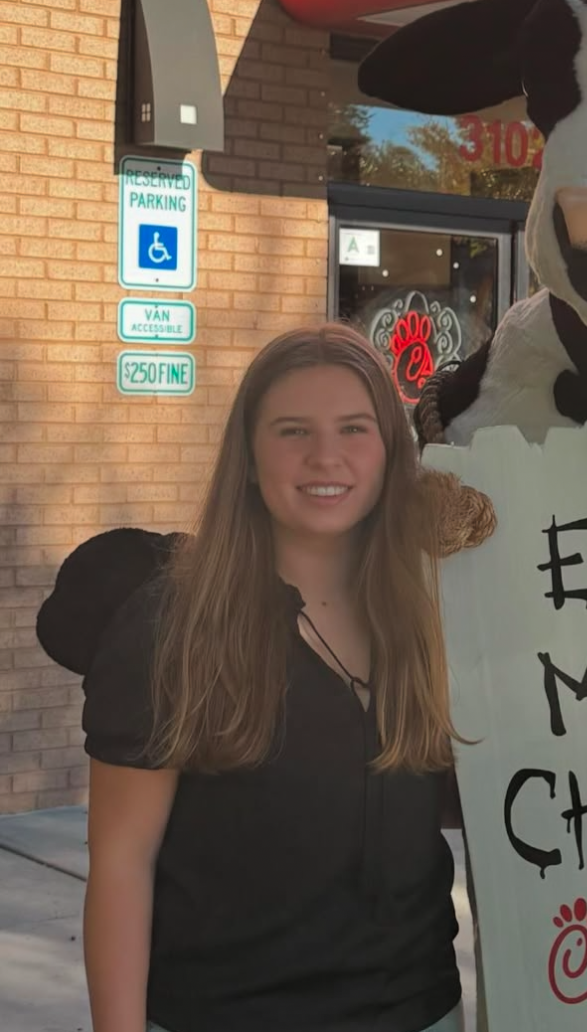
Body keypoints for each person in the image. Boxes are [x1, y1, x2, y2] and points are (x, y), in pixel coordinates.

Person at [42, 324, 465, 1032]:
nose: (325, 456)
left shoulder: (433, 611)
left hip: (421, 1011)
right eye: (292, 431)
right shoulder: (170, 624)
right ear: (247, 457)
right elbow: (122, 862)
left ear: (393, 452)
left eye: (354, 428)